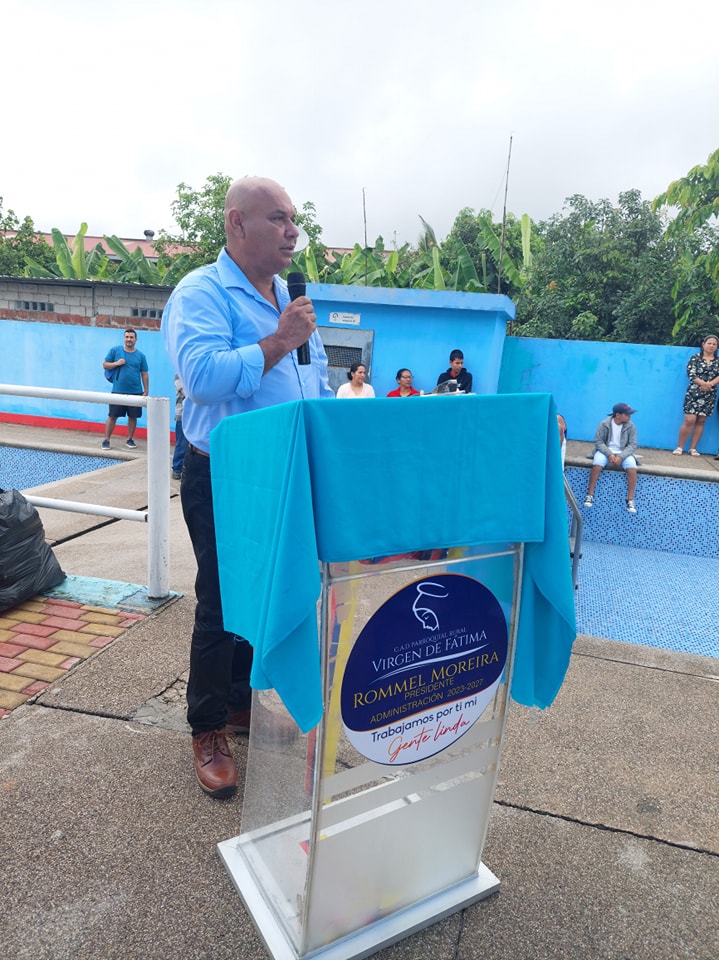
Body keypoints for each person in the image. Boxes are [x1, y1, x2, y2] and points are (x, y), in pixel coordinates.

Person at [162, 176, 333, 799]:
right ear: (237, 223)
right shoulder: (202, 293)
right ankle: (206, 726)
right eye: (278, 218)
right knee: (220, 600)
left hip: (280, 472)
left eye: (294, 219)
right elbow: (203, 377)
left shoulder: (287, 295)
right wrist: (281, 339)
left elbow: (312, 379)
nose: (293, 232)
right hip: (224, 473)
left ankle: (237, 700)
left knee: (259, 595)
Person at [583, 403, 639, 514]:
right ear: (618, 415)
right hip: (605, 451)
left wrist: (621, 457)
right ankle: (590, 494)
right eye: (627, 414)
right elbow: (599, 442)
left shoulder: (631, 426)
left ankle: (630, 499)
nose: (630, 416)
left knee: (632, 468)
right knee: (597, 465)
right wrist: (609, 454)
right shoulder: (604, 424)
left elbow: (632, 445)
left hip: (623, 452)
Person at [672, 334, 719, 457]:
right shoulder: (695, 358)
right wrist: (702, 383)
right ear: (703, 344)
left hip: (710, 393)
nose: (711, 346)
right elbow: (691, 373)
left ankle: (693, 448)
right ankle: (680, 447)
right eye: (709, 343)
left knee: (701, 420)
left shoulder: (718, 360)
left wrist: (710, 384)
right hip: (694, 392)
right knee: (689, 420)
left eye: (714, 344)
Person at [101, 328, 149, 448]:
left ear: (136, 339)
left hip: (136, 391)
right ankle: (106, 440)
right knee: (112, 416)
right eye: (127, 337)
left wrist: (146, 390)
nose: (129, 339)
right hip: (118, 391)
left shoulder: (141, 356)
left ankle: (130, 439)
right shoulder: (115, 350)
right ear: (124, 338)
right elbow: (105, 364)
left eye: (131, 337)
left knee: (133, 417)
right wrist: (117, 363)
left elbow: (144, 373)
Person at [172, 373, 187, 480]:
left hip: (197, 416)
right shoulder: (179, 373)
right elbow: (184, 391)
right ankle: (177, 469)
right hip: (183, 415)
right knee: (182, 444)